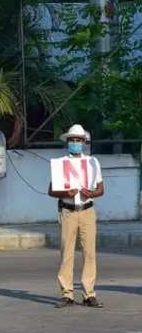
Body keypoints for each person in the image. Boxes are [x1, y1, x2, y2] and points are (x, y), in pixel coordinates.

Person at [48, 124, 104, 309]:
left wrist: (91, 193)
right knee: (67, 253)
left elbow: (101, 189)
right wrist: (66, 192)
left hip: (87, 210)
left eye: (78, 140)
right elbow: (51, 190)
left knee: (89, 253)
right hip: (68, 211)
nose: (75, 143)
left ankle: (89, 294)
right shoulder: (60, 164)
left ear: (84, 142)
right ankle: (67, 294)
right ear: (67, 142)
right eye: (72, 140)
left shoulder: (92, 163)